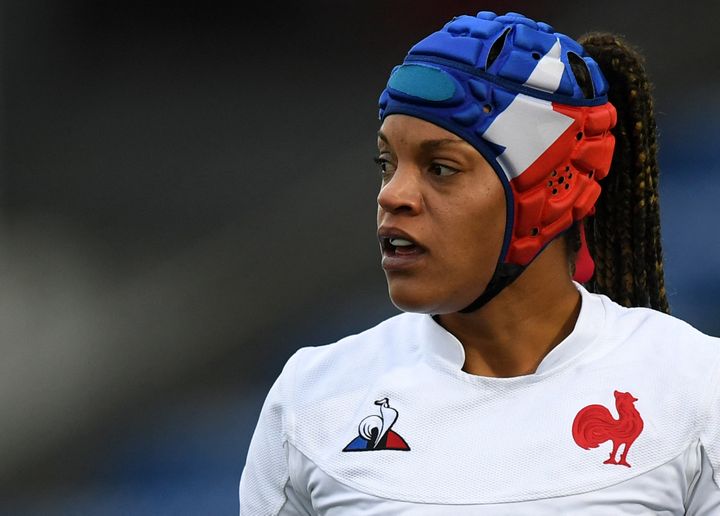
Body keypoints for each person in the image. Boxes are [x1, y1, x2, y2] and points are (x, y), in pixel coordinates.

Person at [239, 11, 720, 514]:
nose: (393, 195)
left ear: (549, 193)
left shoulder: (697, 388)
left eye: (441, 168)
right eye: (387, 163)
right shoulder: (311, 398)